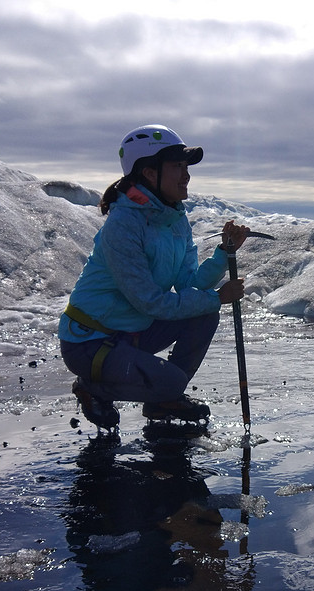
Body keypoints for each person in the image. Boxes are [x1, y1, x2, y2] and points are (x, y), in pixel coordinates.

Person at [59, 125, 250, 430]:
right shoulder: (124, 225)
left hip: (131, 332)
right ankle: (93, 388)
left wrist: (223, 254)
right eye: (177, 166)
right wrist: (217, 296)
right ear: (149, 173)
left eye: (186, 166)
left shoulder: (174, 220)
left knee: (204, 313)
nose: (186, 175)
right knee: (174, 377)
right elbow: (150, 302)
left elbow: (190, 284)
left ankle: (162, 398)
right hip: (90, 342)